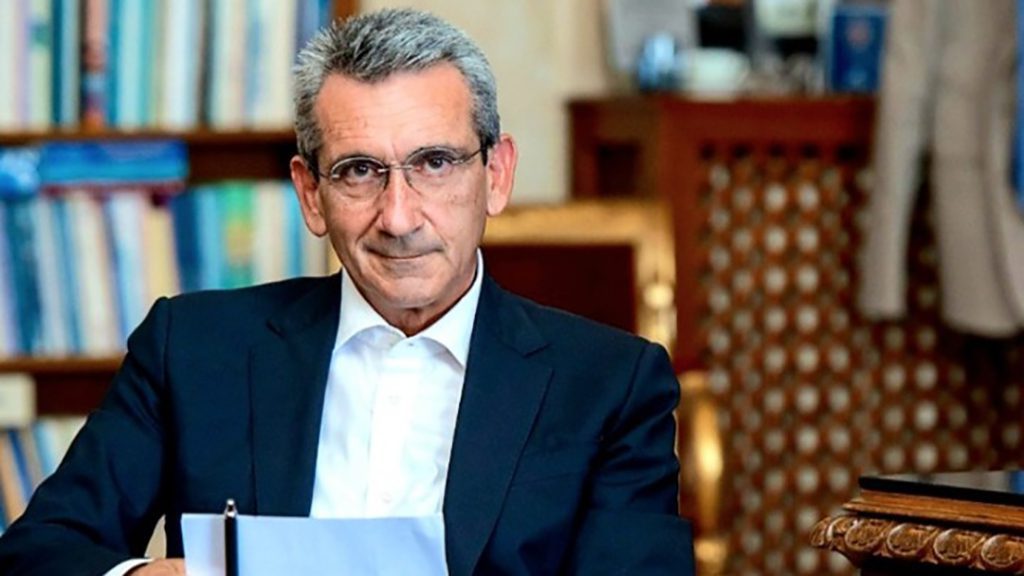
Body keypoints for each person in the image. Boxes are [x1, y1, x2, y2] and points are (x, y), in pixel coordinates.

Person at [0, 9, 695, 575]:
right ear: (310, 193)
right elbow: (41, 552)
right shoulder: (192, 349)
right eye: (360, 171)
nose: (398, 217)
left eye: (434, 163)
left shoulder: (610, 385)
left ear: (496, 175)